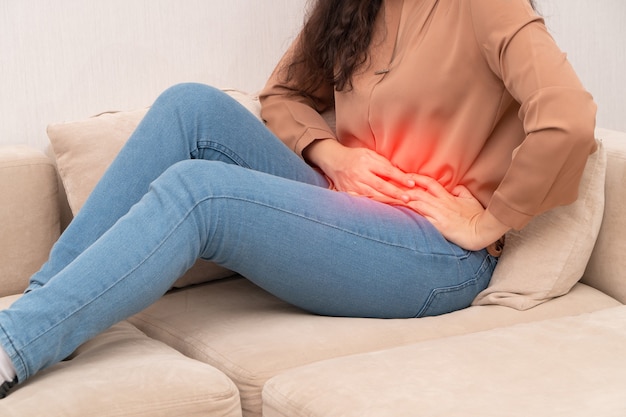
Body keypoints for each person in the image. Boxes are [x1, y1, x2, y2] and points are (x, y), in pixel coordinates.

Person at [0, 0, 596, 397]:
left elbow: (568, 119)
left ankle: (15, 344)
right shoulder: (352, 6)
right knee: (191, 105)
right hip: (344, 207)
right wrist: (333, 154)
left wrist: (491, 220)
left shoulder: (488, 5)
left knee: (200, 192)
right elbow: (283, 95)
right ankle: (38, 314)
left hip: (430, 253)